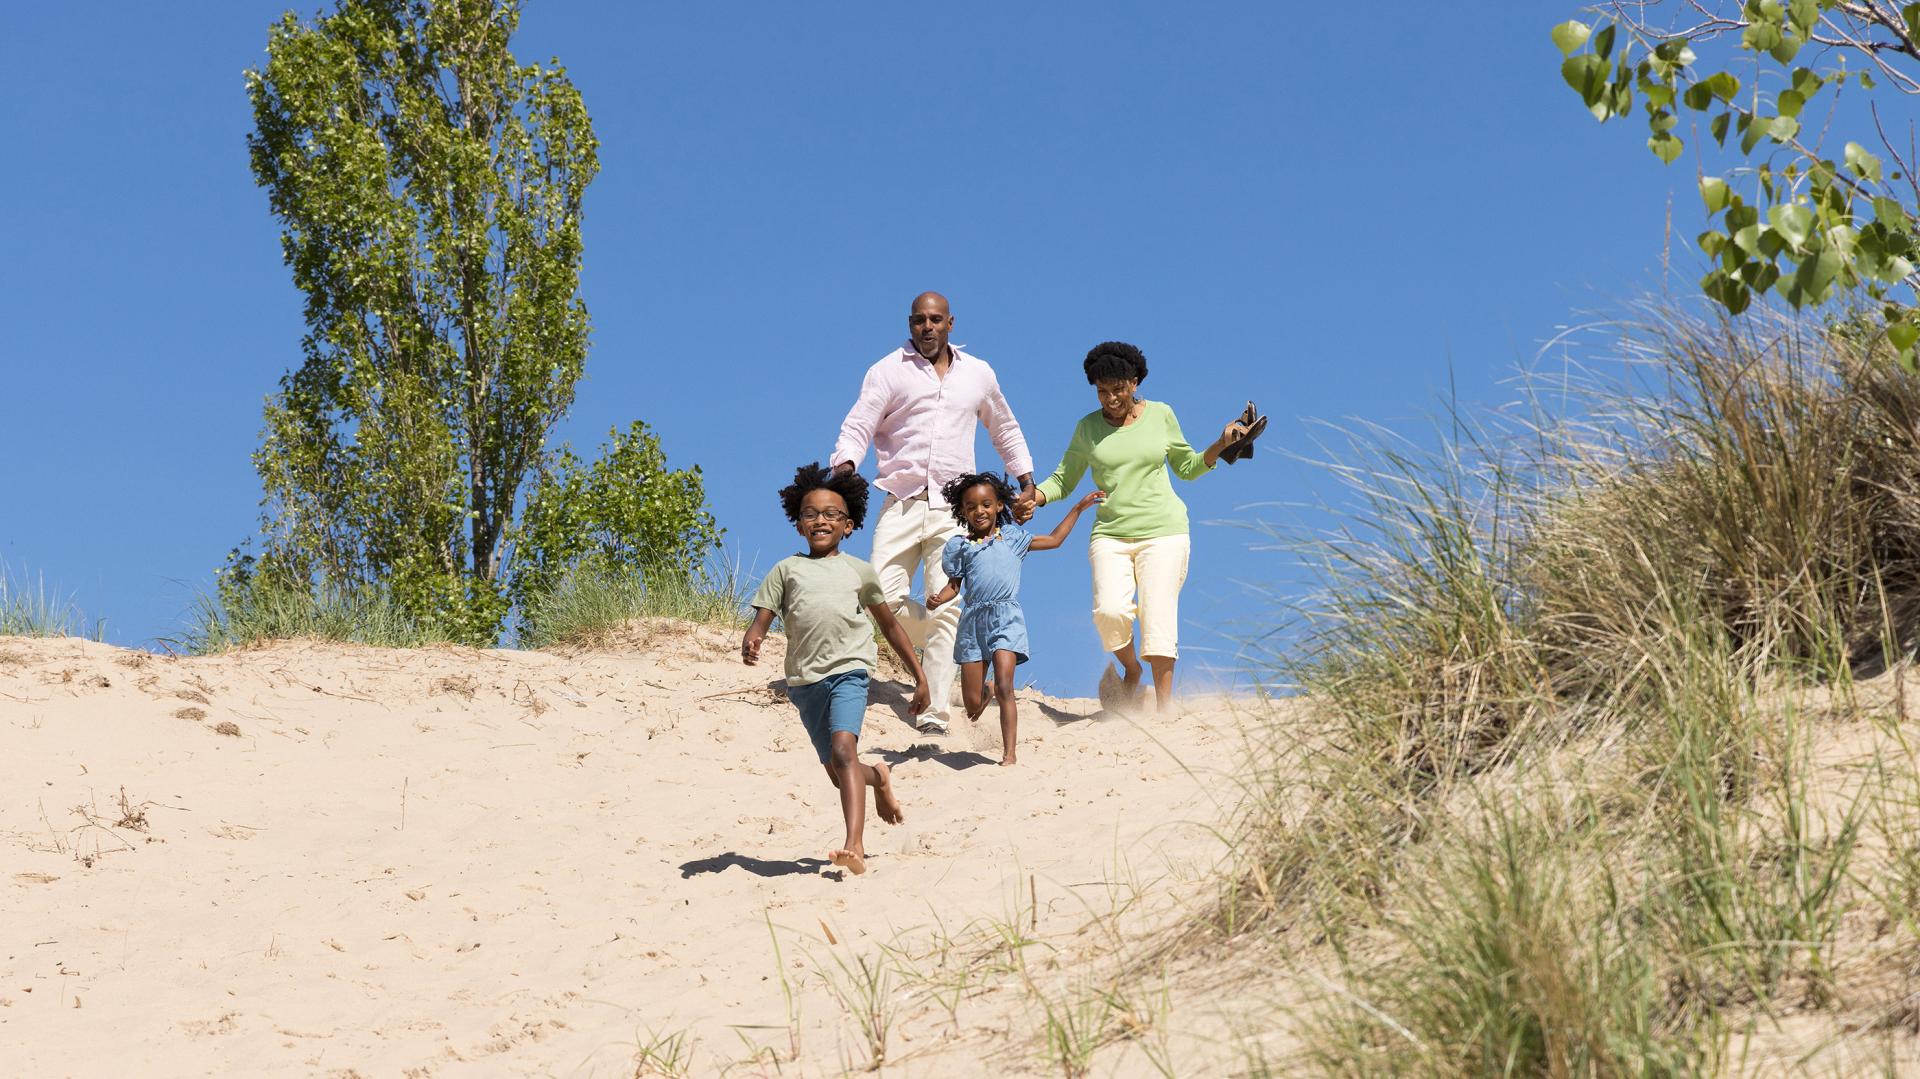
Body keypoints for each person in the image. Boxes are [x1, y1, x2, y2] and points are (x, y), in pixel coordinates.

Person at [1013, 341, 1256, 716]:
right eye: (1102, 391)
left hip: (1164, 532)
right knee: (1109, 612)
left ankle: (1163, 710)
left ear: (1135, 381)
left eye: (1118, 389)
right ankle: (1131, 669)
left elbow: (1188, 467)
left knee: (1158, 615)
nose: (1110, 398)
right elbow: (1064, 479)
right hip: (1110, 535)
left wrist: (1222, 444)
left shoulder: (1161, 415)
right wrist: (1036, 498)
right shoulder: (1088, 429)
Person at [832, 291, 1036, 735]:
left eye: (936, 320)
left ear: (950, 324)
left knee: (947, 608)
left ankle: (935, 716)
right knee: (878, 597)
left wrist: (1025, 480)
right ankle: (955, 643)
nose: (927, 327)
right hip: (900, 501)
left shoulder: (978, 374)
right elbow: (859, 423)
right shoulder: (887, 370)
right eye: (920, 320)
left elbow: (1004, 427)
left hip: (953, 513)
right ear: (910, 324)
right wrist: (846, 465)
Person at [740, 463, 930, 876]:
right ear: (798, 523)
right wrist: (753, 637)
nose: (821, 520)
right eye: (811, 513)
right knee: (838, 771)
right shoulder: (786, 570)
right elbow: (763, 617)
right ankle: (878, 779)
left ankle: (854, 845)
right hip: (805, 682)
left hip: (850, 671)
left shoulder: (859, 571)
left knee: (844, 751)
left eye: (831, 514)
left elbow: (890, 625)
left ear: (848, 525)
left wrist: (920, 676)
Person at [925, 473, 1103, 766]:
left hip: (1006, 618)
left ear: (998, 506)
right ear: (963, 511)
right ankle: (987, 690)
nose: (979, 511)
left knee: (1007, 685)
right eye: (971, 506)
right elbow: (954, 586)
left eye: (985, 504)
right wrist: (938, 598)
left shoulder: (1012, 538)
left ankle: (1009, 755)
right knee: (972, 706)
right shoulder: (961, 547)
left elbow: (1056, 540)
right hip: (973, 624)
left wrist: (1078, 508)